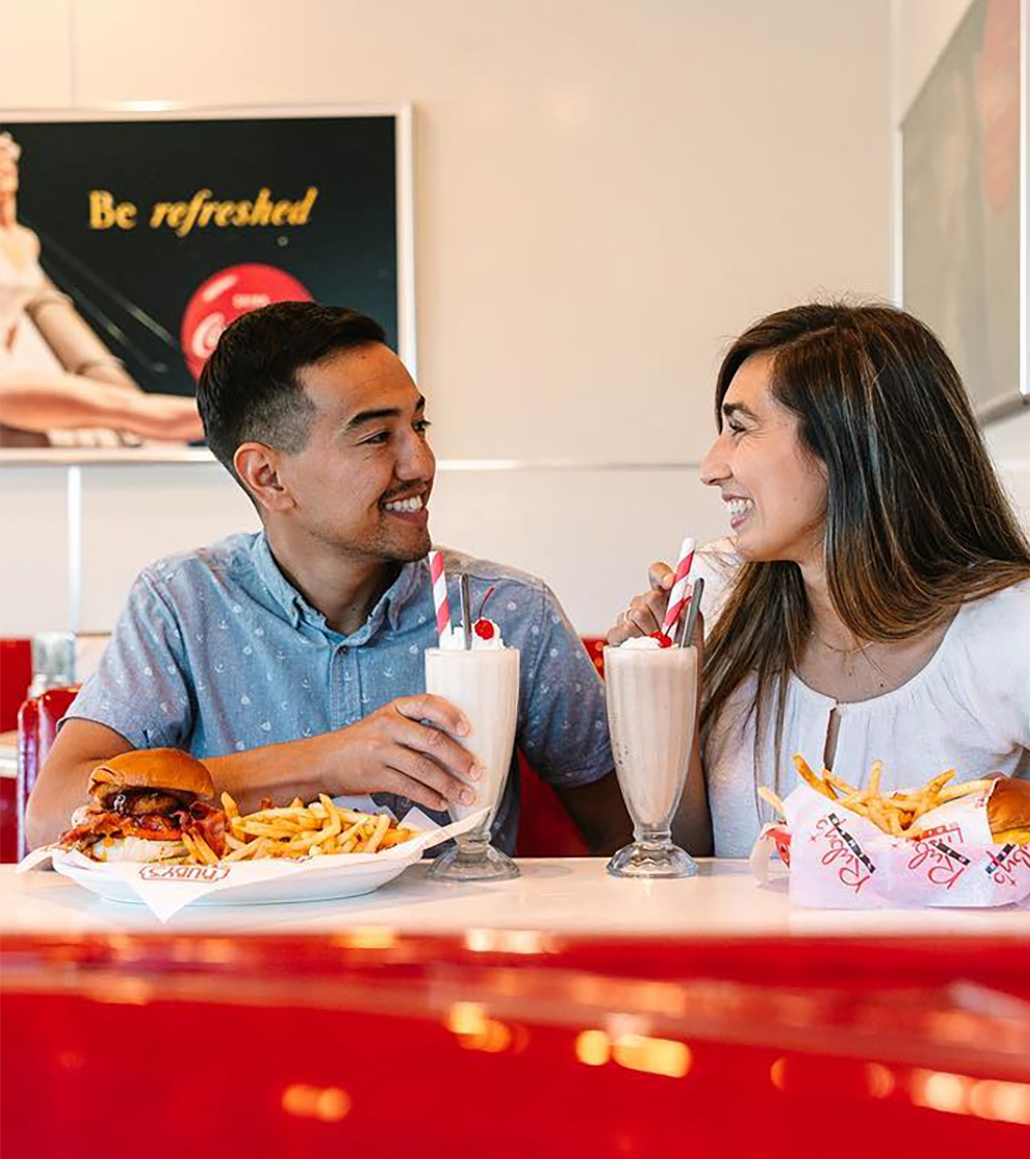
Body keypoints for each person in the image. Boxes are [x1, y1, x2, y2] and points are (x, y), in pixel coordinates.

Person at [26, 302, 628, 854]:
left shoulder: (509, 610)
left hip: (453, 961)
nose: (420, 464)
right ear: (267, 477)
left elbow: (642, 839)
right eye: (375, 437)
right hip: (239, 961)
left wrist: (676, 688)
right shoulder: (184, 603)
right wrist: (324, 762)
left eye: (420, 426)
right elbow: (51, 816)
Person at [607, 303, 1030, 858]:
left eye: (739, 429)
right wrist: (670, 694)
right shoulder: (718, 591)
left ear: (846, 445)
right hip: (745, 951)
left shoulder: (1023, 623)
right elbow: (691, 852)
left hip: (944, 952)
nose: (710, 466)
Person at [0, 131, 203, 449]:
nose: (5, 168)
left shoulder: (26, 240)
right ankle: (224, 415)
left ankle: (220, 415)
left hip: (13, 366)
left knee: (117, 407)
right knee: (123, 409)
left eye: (8, 161)